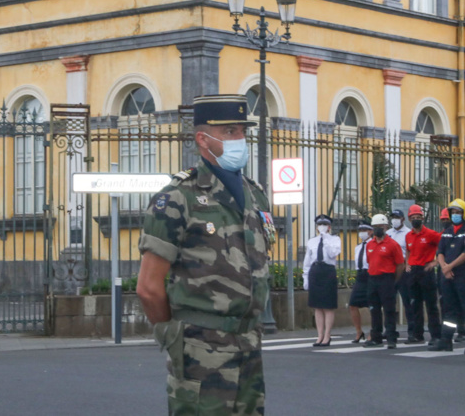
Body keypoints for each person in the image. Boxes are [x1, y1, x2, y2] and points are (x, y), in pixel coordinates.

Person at [137, 94, 271, 414]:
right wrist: (173, 336)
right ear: (203, 139)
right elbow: (148, 286)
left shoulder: (255, 195)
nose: (240, 139)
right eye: (229, 132)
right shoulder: (177, 198)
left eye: (242, 131)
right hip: (201, 349)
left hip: (249, 343)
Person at [430, 199, 465, 354]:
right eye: (453, 212)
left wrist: (450, 266)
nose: (455, 215)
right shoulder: (447, 232)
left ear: (464, 214)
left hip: (462, 274)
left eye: (458, 212)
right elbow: (440, 252)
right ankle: (446, 340)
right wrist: (444, 267)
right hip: (447, 275)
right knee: (448, 307)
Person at [363, 214, 405, 349]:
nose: (377, 229)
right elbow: (370, 262)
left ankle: (391, 338)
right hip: (373, 279)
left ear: (386, 227)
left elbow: (400, 264)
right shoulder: (369, 244)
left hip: (387, 279)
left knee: (389, 310)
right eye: (375, 227)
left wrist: (394, 280)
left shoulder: (393, 244)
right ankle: (376, 337)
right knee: (374, 310)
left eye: (380, 227)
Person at [404, 204, 442, 345]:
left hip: (426, 271)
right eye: (413, 217)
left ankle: (436, 335)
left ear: (422, 218)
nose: (416, 219)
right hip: (413, 272)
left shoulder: (431, 234)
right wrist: (407, 263)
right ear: (409, 219)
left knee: (431, 305)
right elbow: (408, 250)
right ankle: (417, 335)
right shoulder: (408, 236)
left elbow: (442, 246)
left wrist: (435, 262)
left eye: (418, 217)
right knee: (415, 305)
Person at [303, 214, 342, 347]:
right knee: (317, 306)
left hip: (328, 271)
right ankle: (319, 335)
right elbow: (307, 261)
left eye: (325, 225)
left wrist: (325, 239)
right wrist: (305, 277)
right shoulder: (311, 242)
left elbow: (333, 254)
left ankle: (327, 335)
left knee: (328, 306)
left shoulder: (335, 239)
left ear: (329, 227)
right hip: (315, 272)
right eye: (320, 225)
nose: (322, 227)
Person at [386, 209, 413, 342]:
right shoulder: (388, 233)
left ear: (403, 219)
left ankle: (412, 331)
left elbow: (410, 252)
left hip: (403, 268)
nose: (394, 219)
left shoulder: (408, 233)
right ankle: (390, 330)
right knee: (389, 302)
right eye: (393, 217)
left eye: (397, 217)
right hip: (389, 270)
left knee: (408, 301)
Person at [348, 223, 373, 343]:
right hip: (360, 275)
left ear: (371, 231)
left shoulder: (374, 245)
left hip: (371, 275)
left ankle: (373, 331)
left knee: (372, 305)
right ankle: (359, 331)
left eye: (365, 230)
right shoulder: (358, 247)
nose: (362, 232)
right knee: (353, 304)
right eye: (360, 230)